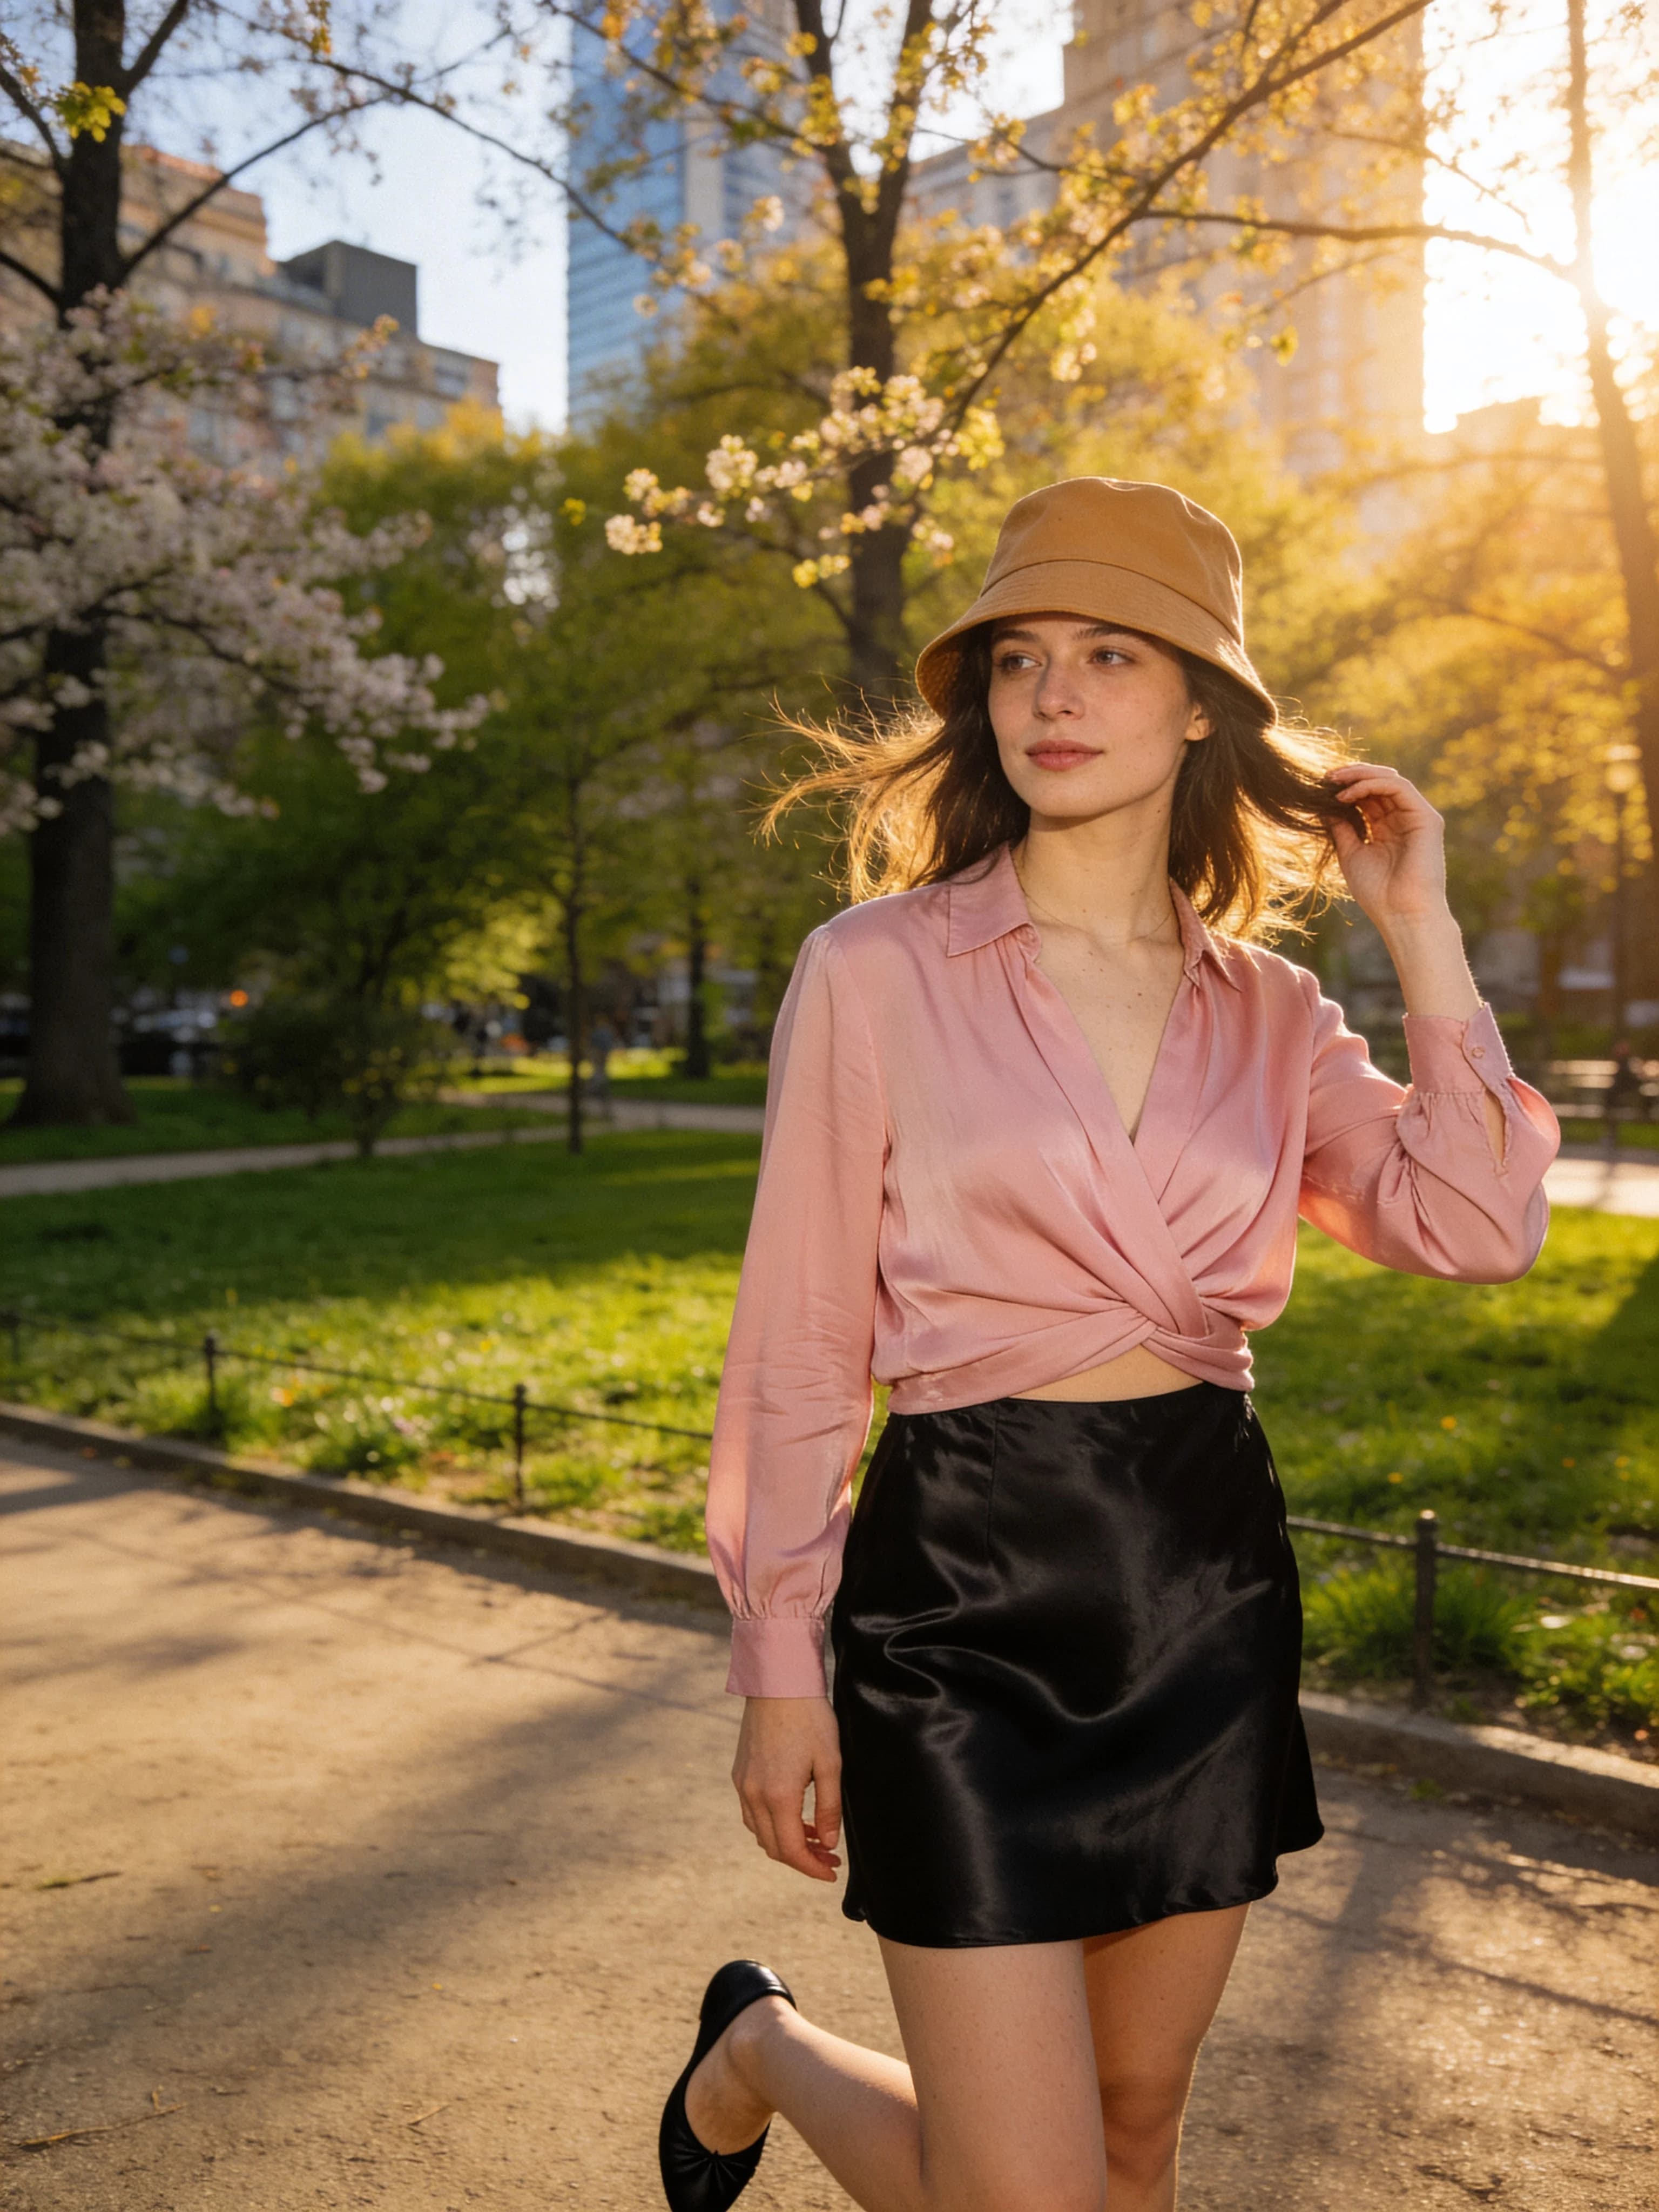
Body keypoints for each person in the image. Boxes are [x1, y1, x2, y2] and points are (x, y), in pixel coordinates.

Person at [657, 478, 1560, 2212]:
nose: (1054, 697)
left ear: (1202, 702)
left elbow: (1480, 1225)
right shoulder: (871, 972)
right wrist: (781, 1661)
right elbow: (793, 1344)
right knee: (1031, 2197)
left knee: (1135, 2132)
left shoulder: (1279, 1012)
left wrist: (1419, 928)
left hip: (1199, 1586)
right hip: (961, 1595)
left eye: (1111, 655)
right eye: (1019, 658)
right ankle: (765, 2052)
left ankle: (762, 2054)